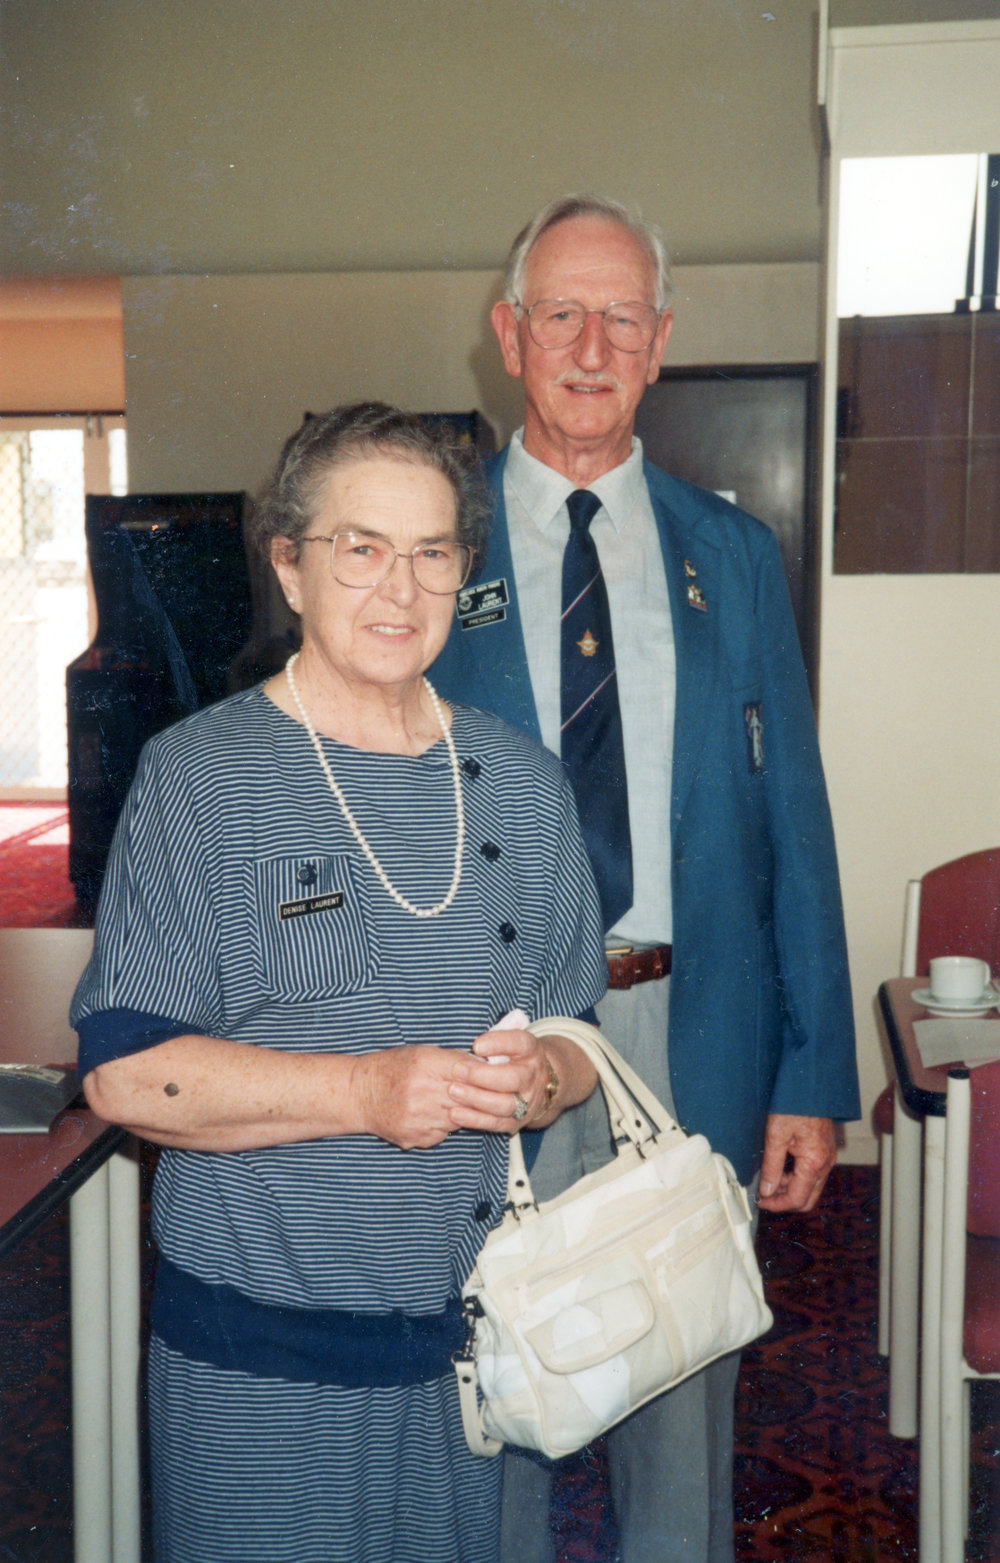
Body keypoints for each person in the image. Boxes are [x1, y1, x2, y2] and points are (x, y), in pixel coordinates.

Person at [70, 402, 609, 1563]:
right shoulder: (198, 778)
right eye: (359, 548)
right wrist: (364, 1092)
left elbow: (576, 1036)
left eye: (432, 553)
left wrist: (544, 1079)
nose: (399, 591)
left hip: (469, 1366)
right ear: (290, 567)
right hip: (257, 1369)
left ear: (466, 572)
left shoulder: (520, 785)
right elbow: (124, 1080)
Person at [431, 195, 861, 1563]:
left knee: (681, 1401)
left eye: (623, 314)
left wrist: (809, 1071)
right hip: (484, 1043)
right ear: (509, 334)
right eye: (561, 310)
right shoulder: (427, 556)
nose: (591, 342)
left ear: (662, 341)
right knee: (493, 1392)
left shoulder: (731, 557)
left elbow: (796, 821)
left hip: (693, 1033)